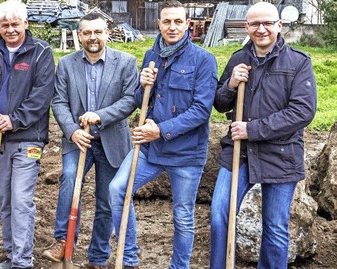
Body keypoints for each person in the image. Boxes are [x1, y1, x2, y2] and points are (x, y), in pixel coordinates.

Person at [108, 1, 218, 268]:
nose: (172, 27)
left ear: (187, 24)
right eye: (167, 21)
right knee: (117, 190)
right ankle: (130, 257)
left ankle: (179, 266)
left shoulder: (204, 60)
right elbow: (140, 99)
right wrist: (142, 85)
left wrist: (161, 130)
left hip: (186, 153)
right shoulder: (150, 56)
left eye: (178, 22)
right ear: (159, 23)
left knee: (182, 216)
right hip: (151, 149)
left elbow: (202, 110)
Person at [209, 2, 317, 268]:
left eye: (268, 23)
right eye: (255, 24)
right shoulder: (238, 59)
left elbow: (302, 112)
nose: (261, 29)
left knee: (275, 229)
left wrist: (252, 129)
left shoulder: (298, 62)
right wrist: (231, 85)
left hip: (281, 153)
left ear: (279, 25)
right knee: (220, 216)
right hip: (239, 153)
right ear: (246, 27)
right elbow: (220, 104)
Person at [43, 13, 138, 269]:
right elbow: (59, 101)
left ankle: (97, 258)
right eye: (87, 33)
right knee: (69, 181)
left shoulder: (126, 62)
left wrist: (101, 115)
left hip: (111, 140)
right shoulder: (65, 64)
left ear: (107, 33)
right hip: (79, 140)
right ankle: (63, 241)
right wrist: (73, 130)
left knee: (106, 201)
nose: (92, 37)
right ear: (80, 35)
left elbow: (130, 100)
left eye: (97, 32)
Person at [0, 1, 55, 268]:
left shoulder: (41, 52)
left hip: (28, 138)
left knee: (21, 200)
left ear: (26, 23)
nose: (10, 29)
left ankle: (23, 261)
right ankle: (11, 255)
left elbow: (41, 96)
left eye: (15, 24)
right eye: (5, 25)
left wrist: (14, 120)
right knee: (5, 199)